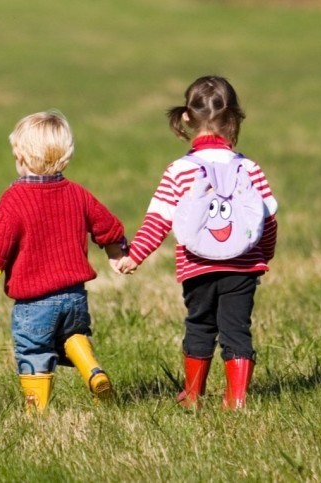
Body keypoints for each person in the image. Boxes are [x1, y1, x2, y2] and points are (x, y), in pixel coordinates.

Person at [117, 76, 278, 410]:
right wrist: (264, 253)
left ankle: (192, 395)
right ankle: (236, 399)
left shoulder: (179, 170)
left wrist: (135, 256)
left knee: (200, 325)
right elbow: (268, 219)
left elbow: (158, 219)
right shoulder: (249, 168)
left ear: (187, 118)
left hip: (197, 266)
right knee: (237, 329)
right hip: (243, 267)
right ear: (233, 118)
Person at [0, 110, 127, 413]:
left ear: (22, 156)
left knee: (35, 349)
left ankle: (36, 411)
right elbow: (106, 225)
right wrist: (116, 252)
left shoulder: (14, 199)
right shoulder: (77, 194)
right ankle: (92, 369)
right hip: (75, 297)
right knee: (73, 336)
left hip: (35, 303)